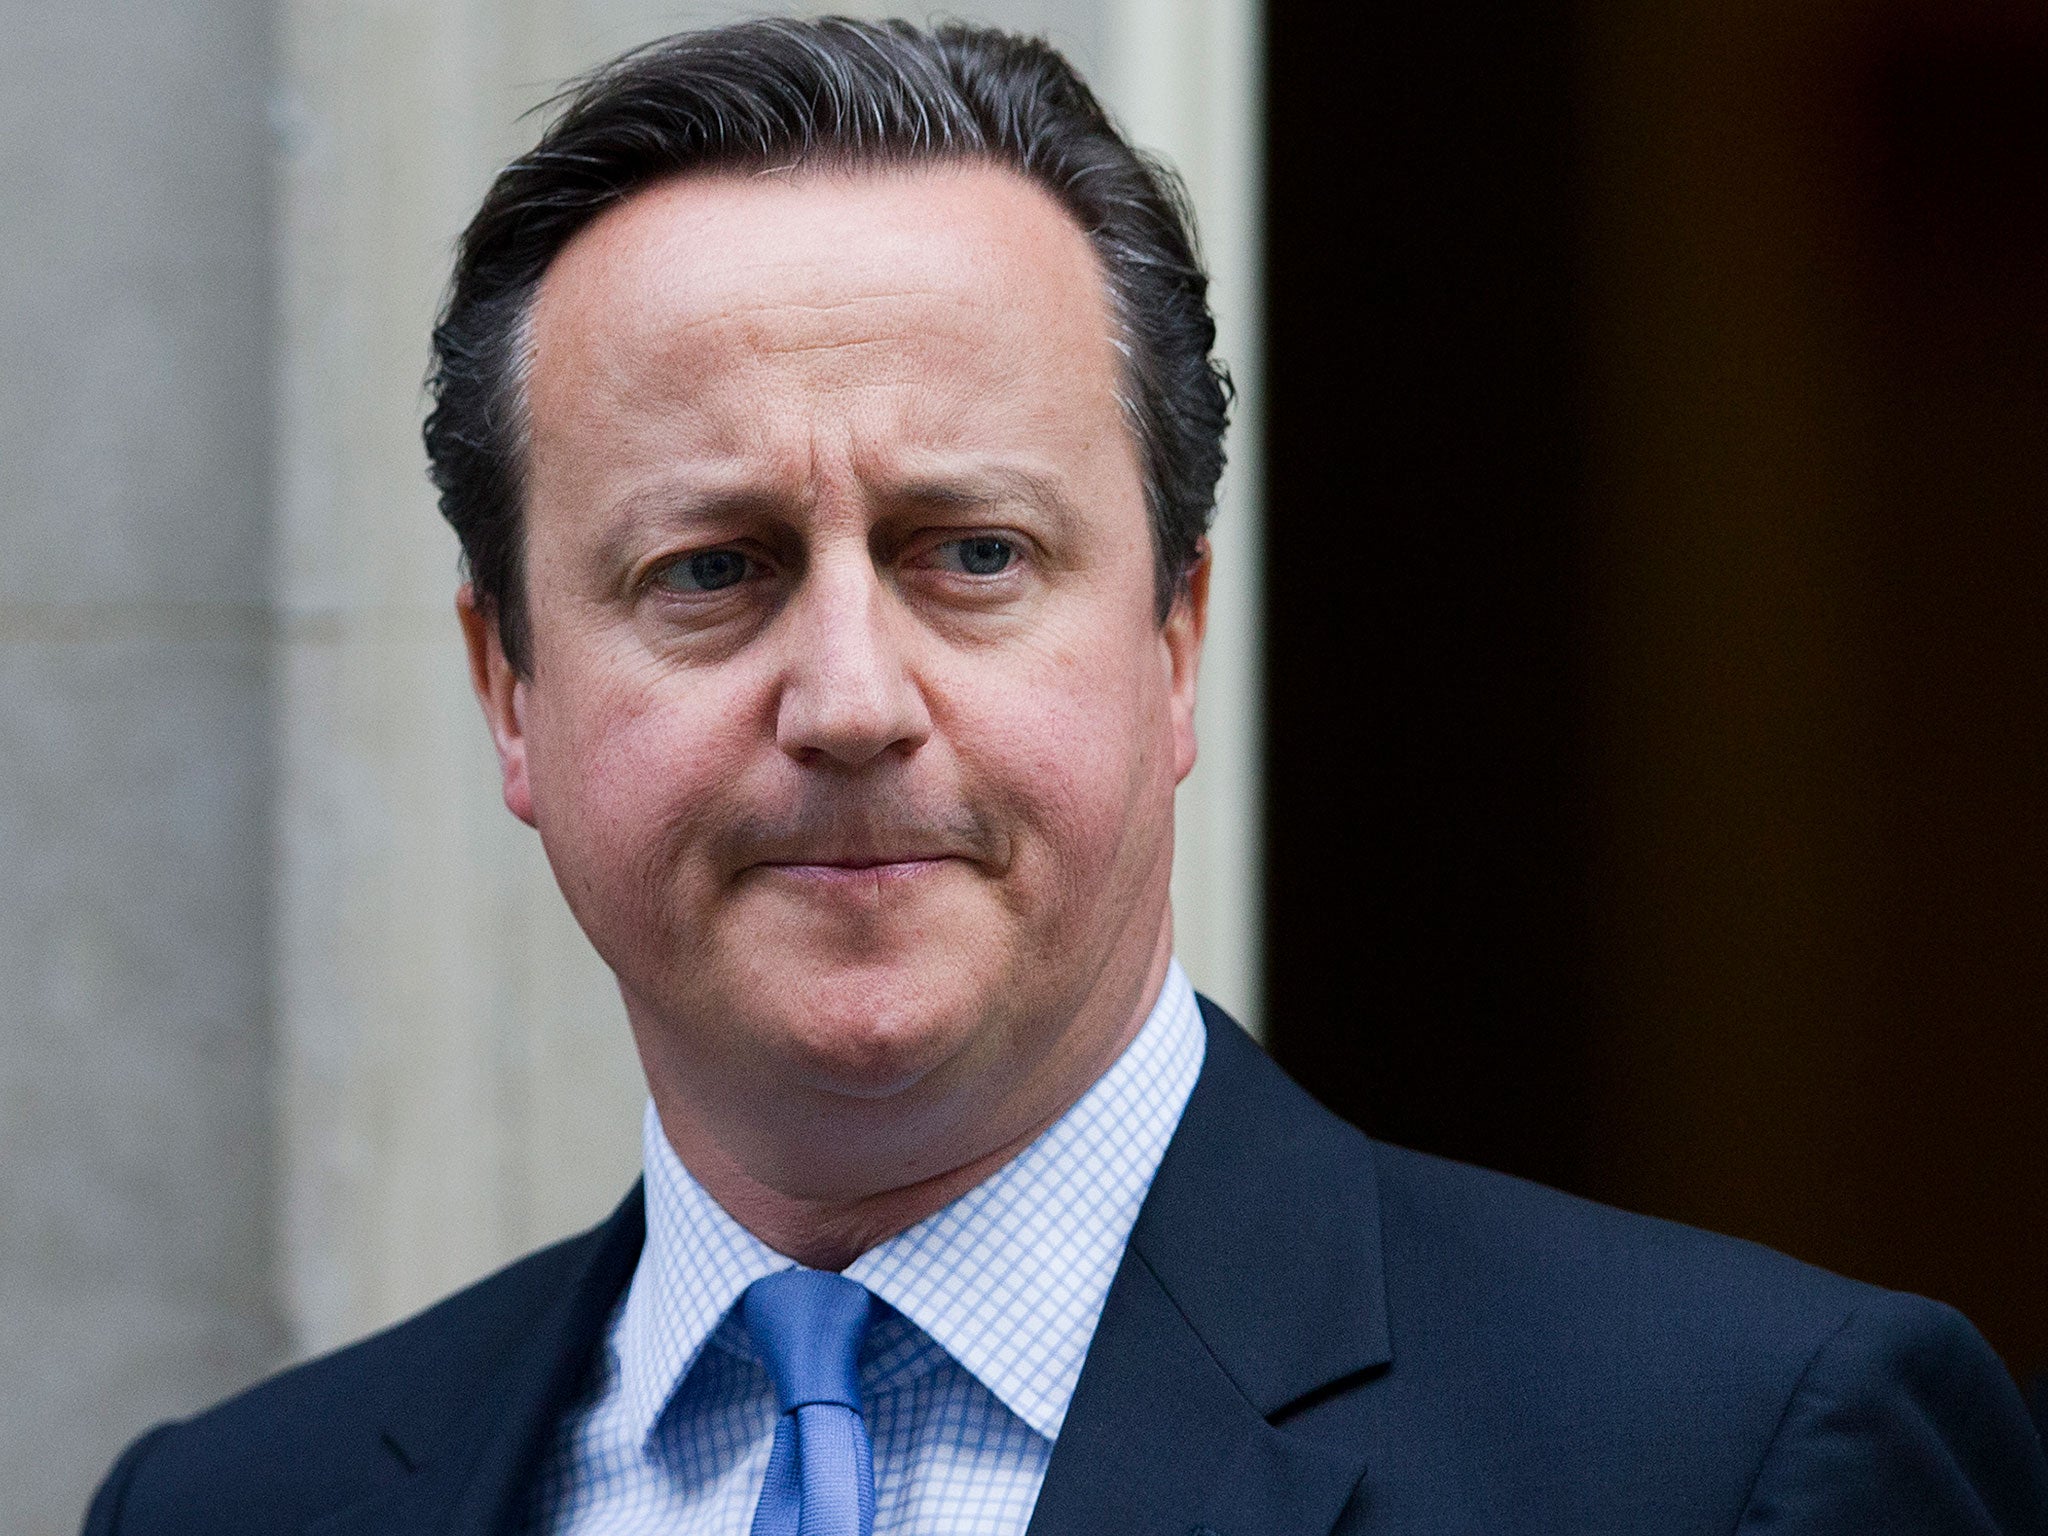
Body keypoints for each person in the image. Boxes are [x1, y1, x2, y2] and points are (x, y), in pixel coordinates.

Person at [83, 18, 2047, 1536]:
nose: (849, 697)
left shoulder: (1725, 1462)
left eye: (970, 554)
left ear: (1175, 643)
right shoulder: (242, 1505)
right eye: (711, 571)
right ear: (508, 687)